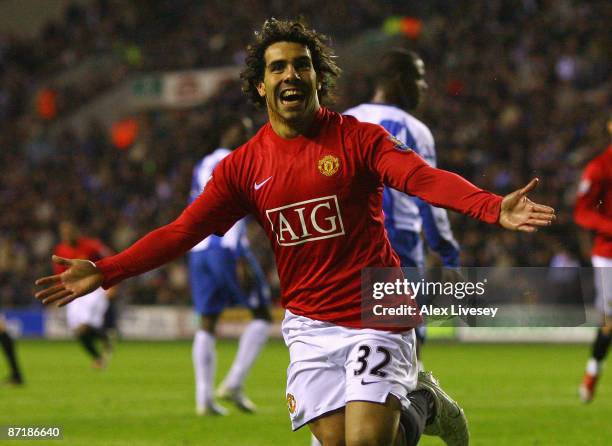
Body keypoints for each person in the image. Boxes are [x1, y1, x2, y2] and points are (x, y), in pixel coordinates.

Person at [36, 19, 555, 446]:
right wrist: (106, 270)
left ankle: (415, 399)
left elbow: (420, 178)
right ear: (261, 85)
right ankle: (425, 403)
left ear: (317, 79)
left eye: (302, 65)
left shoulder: (358, 139)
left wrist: (490, 206)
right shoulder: (243, 168)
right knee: (340, 442)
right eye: (278, 66)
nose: (291, 73)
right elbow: (184, 229)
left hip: (380, 306)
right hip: (309, 323)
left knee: (366, 445)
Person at [345, 49, 460, 367]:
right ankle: (408, 411)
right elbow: (432, 199)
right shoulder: (413, 129)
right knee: (405, 348)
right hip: (397, 244)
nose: (423, 86)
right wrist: (448, 253)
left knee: (354, 344)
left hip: (346, 246)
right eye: (419, 77)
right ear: (399, 79)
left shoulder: (345, 121)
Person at [189, 116, 272, 415]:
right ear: (231, 131)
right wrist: (238, 256)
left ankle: (204, 399)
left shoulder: (202, 164)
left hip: (199, 249)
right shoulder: (238, 161)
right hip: (227, 247)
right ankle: (234, 382)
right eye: (245, 131)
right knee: (262, 313)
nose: (248, 136)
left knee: (207, 321)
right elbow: (233, 210)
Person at [575, 116, 612, 403]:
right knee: (610, 322)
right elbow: (582, 212)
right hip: (608, 255)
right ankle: (592, 371)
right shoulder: (599, 167)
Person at [53, 221, 114, 369]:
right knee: (78, 331)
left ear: (76, 232)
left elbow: (111, 259)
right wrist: (59, 293)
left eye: (69, 232)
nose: (66, 235)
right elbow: (60, 275)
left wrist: (113, 285)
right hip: (74, 291)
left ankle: (103, 341)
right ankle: (100, 351)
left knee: (84, 326)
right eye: (63, 233)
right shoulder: (60, 250)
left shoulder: (92, 245)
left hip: (94, 289)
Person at [0, 315, 24, 385]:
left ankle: (16, 377)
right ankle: (16, 376)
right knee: (11, 357)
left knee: (11, 357)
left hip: (5, 337)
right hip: (5, 337)